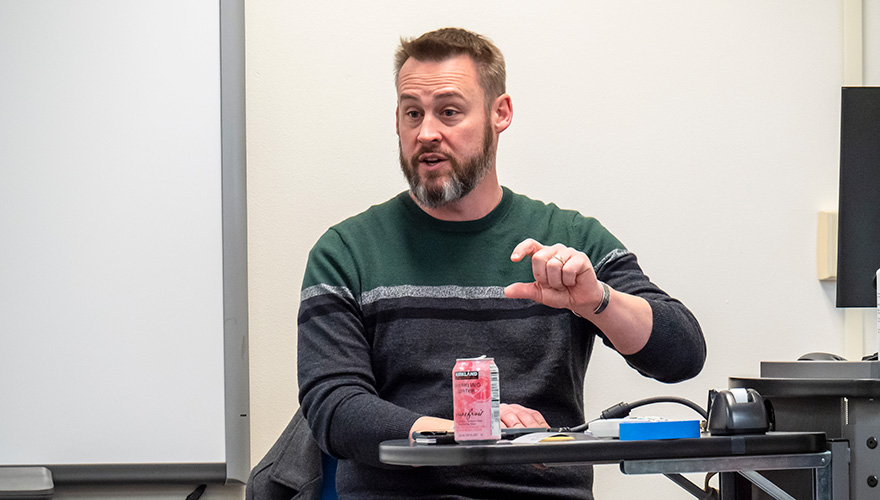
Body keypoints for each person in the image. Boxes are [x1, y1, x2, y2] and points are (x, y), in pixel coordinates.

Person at [297, 27, 706, 499]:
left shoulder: (570, 239)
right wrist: (474, 431)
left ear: (500, 113)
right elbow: (335, 408)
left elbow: (683, 356)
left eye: (449, 112)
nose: (427, 132)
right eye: (413, 113)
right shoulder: (346, 251)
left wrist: (597, 301)